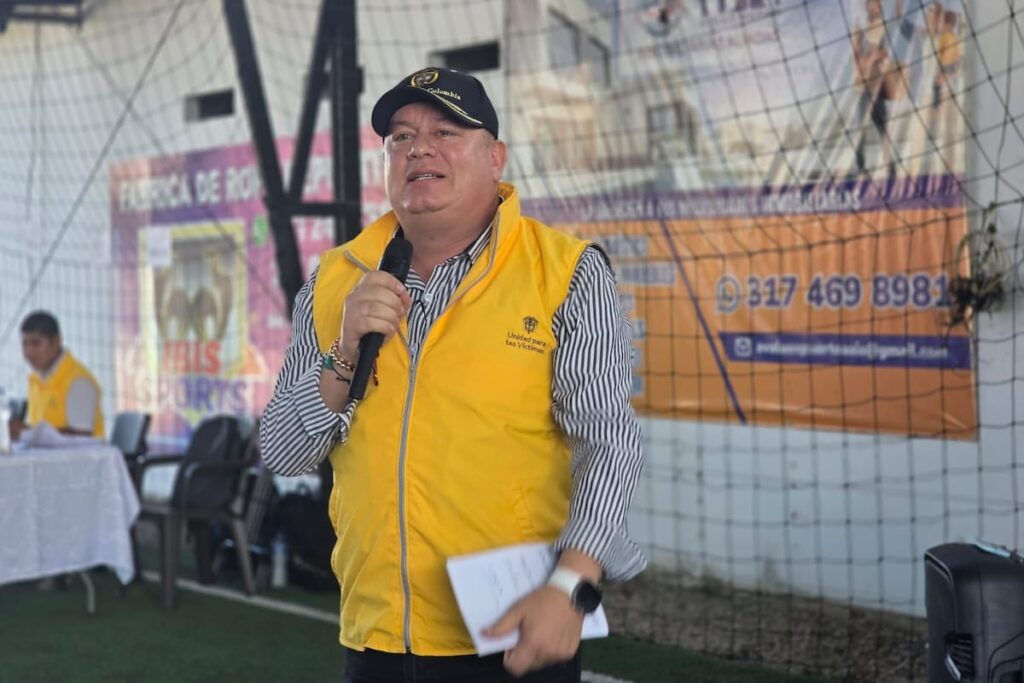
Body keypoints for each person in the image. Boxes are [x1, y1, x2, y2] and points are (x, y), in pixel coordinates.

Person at [260, 66, 645, 681]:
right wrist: (345, 349)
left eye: (446, 132)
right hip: (376, 636)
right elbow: (284, 452)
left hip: (512, 628)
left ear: (495, 158)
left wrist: (571, 586)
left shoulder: (565, 271)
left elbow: (610, 442)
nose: (419, 149)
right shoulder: (336, 278)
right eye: (402, 137)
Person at [13, 310, 104, 441]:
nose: (29, 352)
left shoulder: (78, 382)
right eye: (25, 344)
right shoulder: (35, 379)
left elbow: (81, 438)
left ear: (57, 341)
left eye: (36, 343)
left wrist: (26, 432)